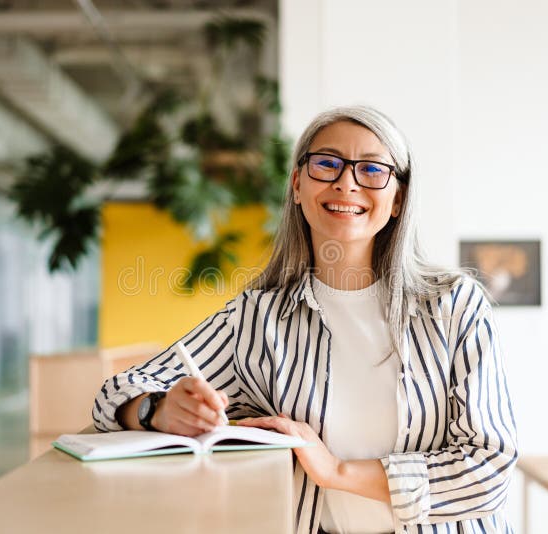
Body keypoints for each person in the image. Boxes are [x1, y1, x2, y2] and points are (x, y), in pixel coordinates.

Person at [93, 105, 518, 534]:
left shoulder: (453, 305)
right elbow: (114, 394)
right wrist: (158, 410)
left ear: (398, 200)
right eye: (327, 164)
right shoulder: (257, 319)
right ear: (297, 184)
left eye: (371, 170)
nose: (346, 182)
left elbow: (489, 469)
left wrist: (337, 471)